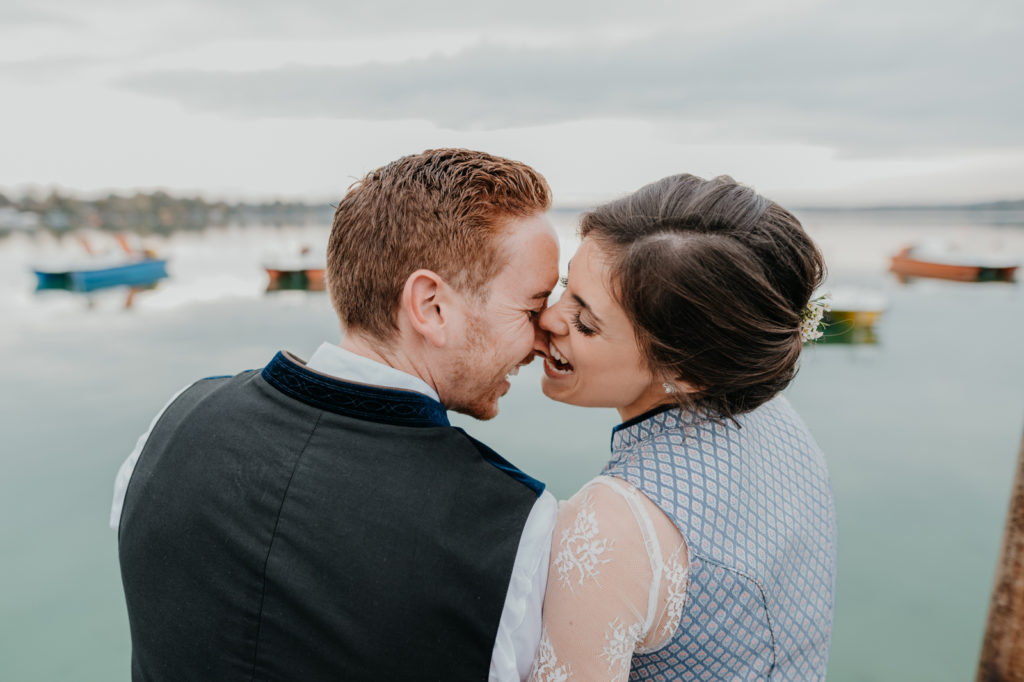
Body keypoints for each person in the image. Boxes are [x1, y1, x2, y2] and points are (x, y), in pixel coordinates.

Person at [110, 149, 561, 681]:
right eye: (533, 307)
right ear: (430, 306)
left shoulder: (174, 420)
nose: (543, 338)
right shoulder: (514, 527)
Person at [529, 174, 837, 680]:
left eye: (585, 323)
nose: (548, 319)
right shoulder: (776, 416)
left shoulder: (611, 525)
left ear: (687, 371)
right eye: (567, 287)